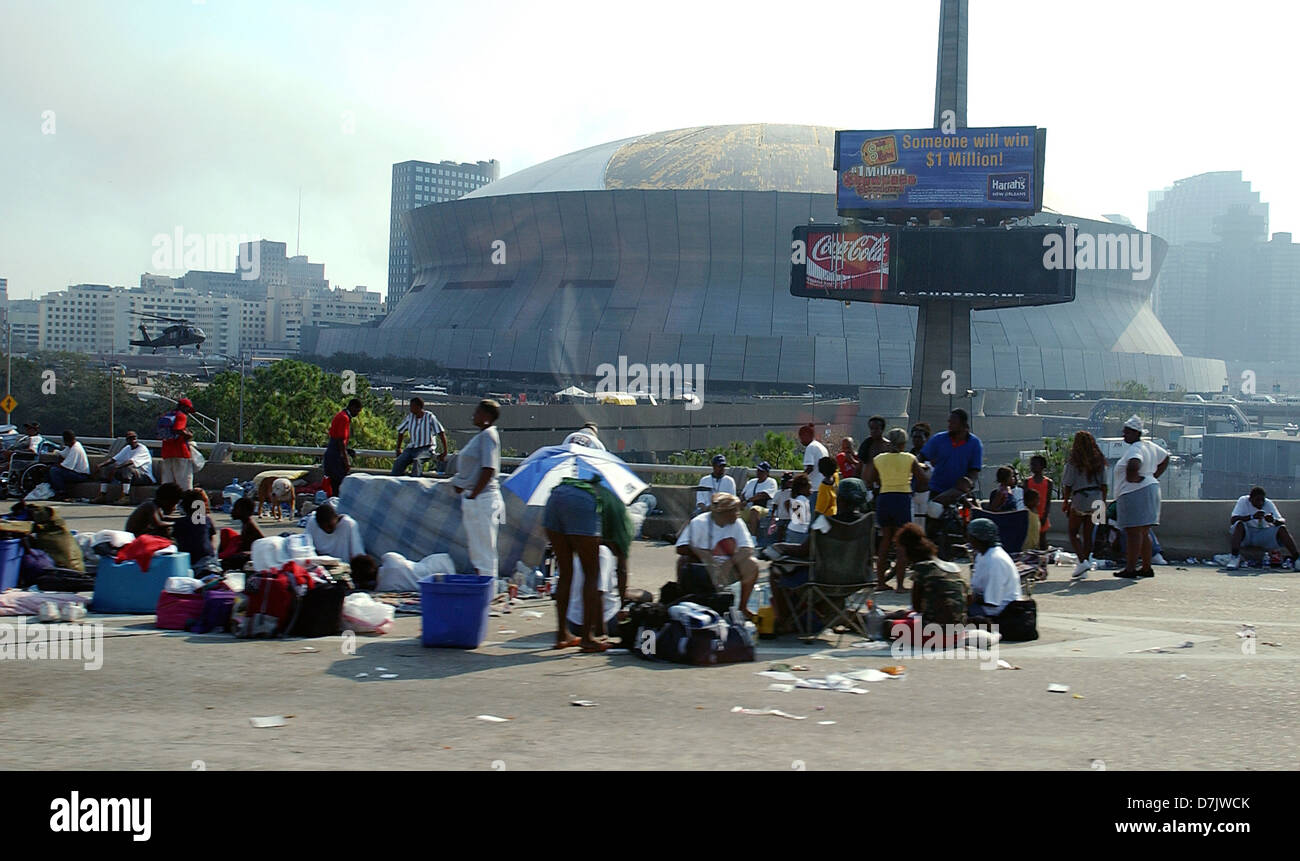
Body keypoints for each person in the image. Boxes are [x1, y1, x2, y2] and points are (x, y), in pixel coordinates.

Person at [544, 473, 632, 651]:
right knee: (592, 573)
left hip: (556, 495)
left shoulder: (589, 487)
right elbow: (621, 568)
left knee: (565, 573)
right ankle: (587, 637)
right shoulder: (619, 512)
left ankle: (562, 635)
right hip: (582, 501)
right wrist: (621, 606)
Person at [865, 428, 930, 592]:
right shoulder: (910, 458)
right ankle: (900, 585)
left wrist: (883, 479)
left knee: (885, 541)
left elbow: (869, 479)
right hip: (902, 499)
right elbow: (923, 479)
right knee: (902, 543)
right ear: (903, 443)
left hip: (884, 499)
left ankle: (880, 582)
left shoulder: (879, 459)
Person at [676, 493, 759, 618]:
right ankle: (684, 600)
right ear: (723, 513)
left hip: (729, 569)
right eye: (734, 511)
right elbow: (681, 548)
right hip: (702, 568)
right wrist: (702, 554)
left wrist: (729, 563)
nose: (738, 513)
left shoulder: (738, 523)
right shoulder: (699, 522)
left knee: (752, 564)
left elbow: (748, 549)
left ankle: (743, 607)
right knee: (683, 561)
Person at [450, 399, 504, 580]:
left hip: (482, 498)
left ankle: (488, 589)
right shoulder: (482, 436)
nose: (474, 415)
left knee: (484, 549)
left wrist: (473, 495)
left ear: (487, 417)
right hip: (476, 498)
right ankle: (483, 585)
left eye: (478, 412)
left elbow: (489, 469)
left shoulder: (489, 435)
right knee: (477, 548)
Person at [1111, 415, 1169, 579]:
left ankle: (1130, 568)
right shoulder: (1150, 445)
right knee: (1144, 532)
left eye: (1127, 432)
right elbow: (1166, 458)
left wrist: (1133, 478)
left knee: (1133, 532)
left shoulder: (1135, 449)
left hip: (1134, 492)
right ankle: (1146, 567)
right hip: (1150, 489)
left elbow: (1134, 464)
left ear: (1135, 433)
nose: (1124, 435)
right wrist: (1153, 476)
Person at [881, 524, 970, 625]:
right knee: (902, 613)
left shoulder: (922, 568)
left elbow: (917, 607)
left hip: (935, 630)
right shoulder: (953, 567)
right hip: (959, 628)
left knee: (887, 625)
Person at [1061, 430, 1108, 578]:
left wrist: (1066, 502)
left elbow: (1068, 485)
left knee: (1073, 532)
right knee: (1088, 535)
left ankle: (1082, 561)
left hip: (1081, 498)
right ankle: (1085, 563)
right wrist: (1103, 503)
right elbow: (1104, 485)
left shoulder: (1074, 462)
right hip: (1097, 499)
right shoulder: (1100, 461)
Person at [921, 409, 983, 506]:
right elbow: (921, 457)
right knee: (933, 514)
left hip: (960, 494)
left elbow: (974, 471)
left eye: (953, 422)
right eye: (949, 422)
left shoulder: (975, 443)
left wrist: (967, 482)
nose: (949, 425)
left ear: (963, 424)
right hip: (937, 491)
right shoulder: (938, 439)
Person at [1227, 486, 1299, 569]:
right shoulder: (1243, 501)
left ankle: (1297, 558)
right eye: (1257, 500)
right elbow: (1233, 520)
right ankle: (1234, 557)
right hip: (1247, 534)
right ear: (1250, 499)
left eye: (1262, 500)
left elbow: (1282, 521)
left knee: (1282, 528)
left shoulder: (1268, 503)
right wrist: (1252, 517)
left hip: (1263, 534)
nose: (1260, 503)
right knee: (1239, 524)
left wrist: (1273, 521)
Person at [966, 517, 1024, 620]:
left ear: (978, 538)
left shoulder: (995, 560)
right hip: (987, 606)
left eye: (970, 536)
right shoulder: (982, 555)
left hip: (999, 612)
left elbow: (992, 601)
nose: (968, 540)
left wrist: (966, 598)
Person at [392, 397, 448, 477]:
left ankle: (415, 482)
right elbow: (401, 431)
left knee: (417, 461)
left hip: (426, 448)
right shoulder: (410, 417)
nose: (410, 408)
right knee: (399, 462)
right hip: (412, 448)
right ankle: (395, 481)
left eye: (412, 406)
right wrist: (398, 448)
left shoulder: (429, 417)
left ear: (418, 407)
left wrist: (445, 451)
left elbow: (441, 432)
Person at [324, 398, 362, 495]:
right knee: (339, 485)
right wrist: (346, 461)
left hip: (332, 453)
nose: (357, 414)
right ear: (352, 407)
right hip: (335, 456)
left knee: (335, 485)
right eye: (357, 411)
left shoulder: (340, 415)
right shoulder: (344, 418)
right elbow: (340, 440)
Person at [174, 488, 218, 571]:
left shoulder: (179, 522)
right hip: (208, 559)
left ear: (184, 507)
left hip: (188, 560)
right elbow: (213, 540)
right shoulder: (206, 520)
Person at [158, 397, 196, 490]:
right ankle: (185, 501)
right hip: (180, 452)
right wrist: (188, 435)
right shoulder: (181, 416)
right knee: (184, 481)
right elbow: (177, 429)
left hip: (166, 452)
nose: (188, 412)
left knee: (168, 482)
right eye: (188, 409)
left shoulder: (167, 415)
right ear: (183, 407)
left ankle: (168, 501)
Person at [221, 497, 265, 571]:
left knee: (228, 561)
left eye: (236, 509)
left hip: (255, 554)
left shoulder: (250, 525)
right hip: (249, 553)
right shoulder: (246, 523)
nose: (232, 511)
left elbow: (262, 544)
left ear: (244, 511)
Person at [48, 430, 91, 499]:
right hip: (75, 472)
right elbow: (63, 454)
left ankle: (62, 492)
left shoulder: (75, 449)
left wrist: (53, 466)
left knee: (55, 471)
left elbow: (67, 466)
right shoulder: (71, 446)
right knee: (53, 470)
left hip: (81, 475)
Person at [741, 461, 779, 536]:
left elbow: (762, 495)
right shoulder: (751, 482)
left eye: (762, 471)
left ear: (767, 473)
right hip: (748, 507)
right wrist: (740, 503)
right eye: (758, 470)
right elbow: (743, 494)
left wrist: (748, 500)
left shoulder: (771, 482)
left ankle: (753, 537)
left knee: (754, 510)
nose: (759, 472)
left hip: (765, 509)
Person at [1024, 455, 1053, 550]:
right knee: (1031, 538)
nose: (1032, 467)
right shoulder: (1027, 481)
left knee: (1042, 539)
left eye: (1035, 464)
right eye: (1031, 464)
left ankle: (1043, 560)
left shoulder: (1048, 482)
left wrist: (1045, 516)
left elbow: (1048, 501)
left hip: (1042, 515)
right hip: (1031, 515)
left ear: (1042, 466)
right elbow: (1025, 499)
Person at [856, 416, 889, 490]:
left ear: (882, 429)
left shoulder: (888, 446)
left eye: (876, 428)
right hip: (865, 485)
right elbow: (860, 464)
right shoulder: (867, 444)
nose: (873, 431)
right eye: (871, 428)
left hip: (882, 487)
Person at [909, 422, 933, 525]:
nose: (916, 440)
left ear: (926, 439)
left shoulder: (932, 456)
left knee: (923, 525)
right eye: (914, 437)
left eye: (919, 437)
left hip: (926, 494)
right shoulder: (909, 455)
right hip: (912, 494)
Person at [798, 423, 829, 488]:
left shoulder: (810, 447)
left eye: (801, 437)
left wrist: (798, 480)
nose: (800, 441)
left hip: (815, 487)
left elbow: (810, 468)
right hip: (824, 485)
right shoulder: (821, 446)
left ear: (806, 435)